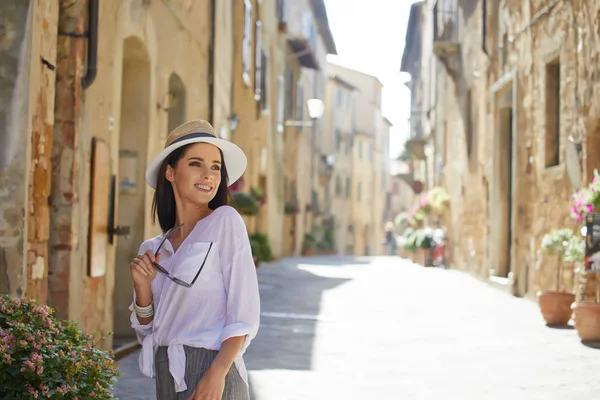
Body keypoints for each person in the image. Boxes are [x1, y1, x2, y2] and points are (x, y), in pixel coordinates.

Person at [129, 120, 260, 400]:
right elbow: (150, 332)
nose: (208, 175)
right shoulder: (154, 248)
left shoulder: (226, 222)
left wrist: (217, 373)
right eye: (196, 163)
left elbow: (243, 315)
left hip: (213, 370)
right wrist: (142, 289)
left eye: (215, 167)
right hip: (167, 372)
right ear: (170, 172)